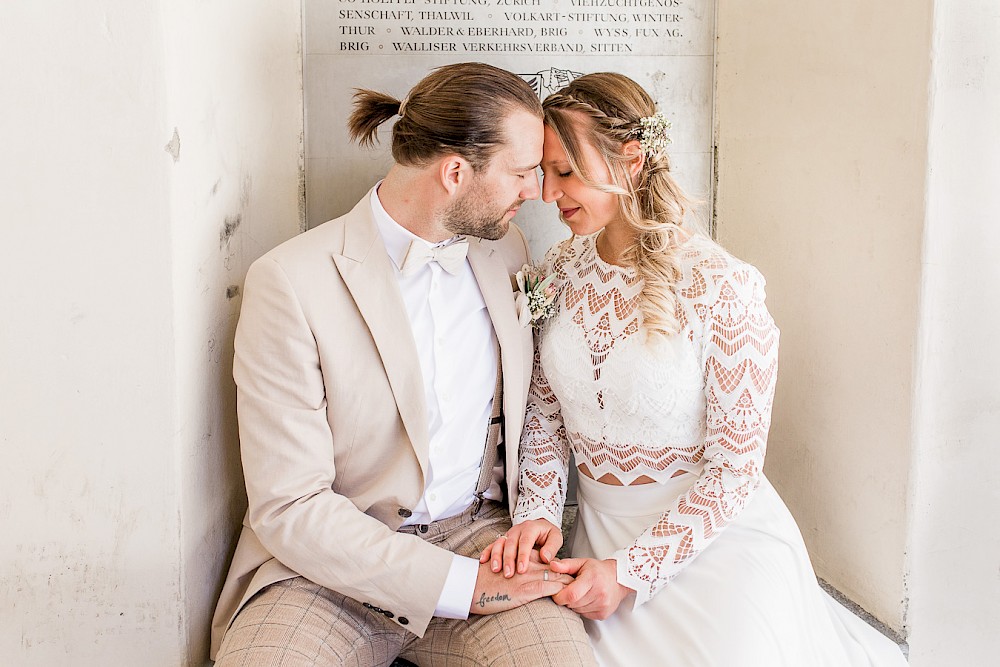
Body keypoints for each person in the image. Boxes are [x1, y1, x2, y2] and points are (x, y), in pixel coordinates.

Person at [481, 72, 908, 666]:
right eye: (544, 173)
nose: (548, 196)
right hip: (591, 550)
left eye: (565, 171)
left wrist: (630, 573)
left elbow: (736, 468)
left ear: (630, 161)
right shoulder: (557, 274)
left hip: (715, 551)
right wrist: (536, 515)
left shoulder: (722, 287)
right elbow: (545, 421)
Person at [210, 63, 596, 666]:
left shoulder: (507, 251)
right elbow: (289, 505)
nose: (537, 191)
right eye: (522, 173)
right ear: (455, 172)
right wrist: (462, 588)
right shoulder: (289, 283)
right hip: (320, 568)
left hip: (481, 540)